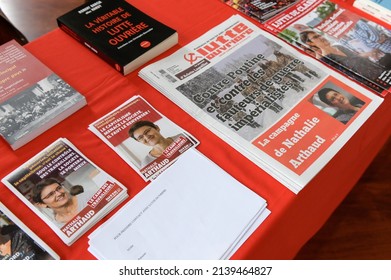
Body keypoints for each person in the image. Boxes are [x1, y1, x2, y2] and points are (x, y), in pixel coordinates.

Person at [299, 30, 391, 82]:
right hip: (374, 81)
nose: (321, 37)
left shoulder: (338, 46)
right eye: (315, 37)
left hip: (382, 71)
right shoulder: (324, 60)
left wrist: (370, 53)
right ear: (310, 43)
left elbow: (357, 57)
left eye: (319, 35)